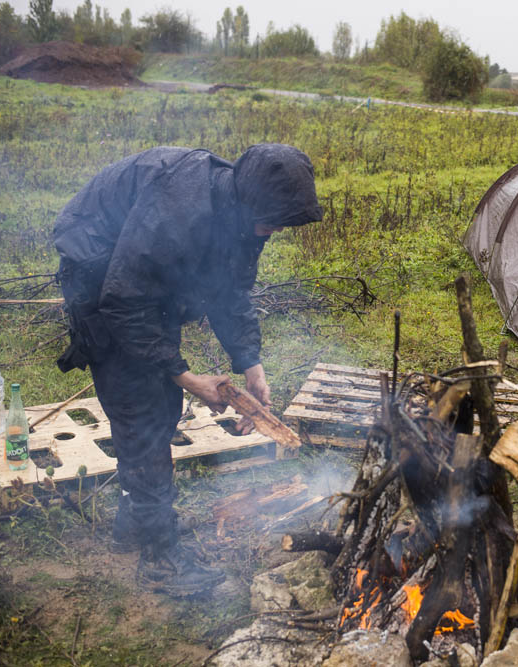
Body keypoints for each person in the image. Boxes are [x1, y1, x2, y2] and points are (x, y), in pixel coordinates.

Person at [53, 144, 323, 596]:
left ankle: (136, 520)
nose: (276, 229)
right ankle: (160, 559)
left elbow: (229, 291)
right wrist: (188, 377)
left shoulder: (238, 217)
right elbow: (123, 302)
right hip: (100, 273)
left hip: (141, 285)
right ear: (247, 202)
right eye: (273, 219)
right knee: (141, 406)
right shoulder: (176, 215)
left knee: (160, 403)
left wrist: (250, 363)